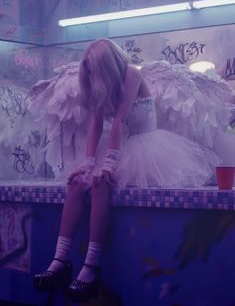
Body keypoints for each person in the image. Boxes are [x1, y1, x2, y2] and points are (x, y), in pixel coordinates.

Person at [33, 38, 221, 303]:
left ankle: (90, 266)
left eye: (95, 69)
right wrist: (87, 163)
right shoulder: (100, 81)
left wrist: (108, 164)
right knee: (77, 183)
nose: (91, 75)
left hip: (145, 146)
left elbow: (119, 119)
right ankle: (59, 261)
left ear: (107, 65)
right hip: (119, 145)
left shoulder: (132, 73)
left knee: (102, 184)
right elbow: (97, 124)